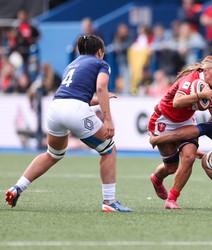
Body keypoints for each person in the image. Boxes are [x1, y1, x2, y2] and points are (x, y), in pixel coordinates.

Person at [5, 34, 133, 212]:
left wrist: (99, 100)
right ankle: (109, 202)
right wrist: (108, 119)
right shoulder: (101, 63)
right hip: (75, 110)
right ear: (100, 52)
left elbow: (75, 96)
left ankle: (17, 187)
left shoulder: (72, 65)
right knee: (109, 150)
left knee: (53, 154)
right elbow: (101, 88)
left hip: (55, 108)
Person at [148, 55, 212, 209]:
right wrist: (200, 95)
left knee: (188, 157)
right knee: (171, 168)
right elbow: (177, 102)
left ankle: (172, 199)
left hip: (186, 121)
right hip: (164, 120)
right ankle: (156, 179)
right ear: (205, 70)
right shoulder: (190, 79)